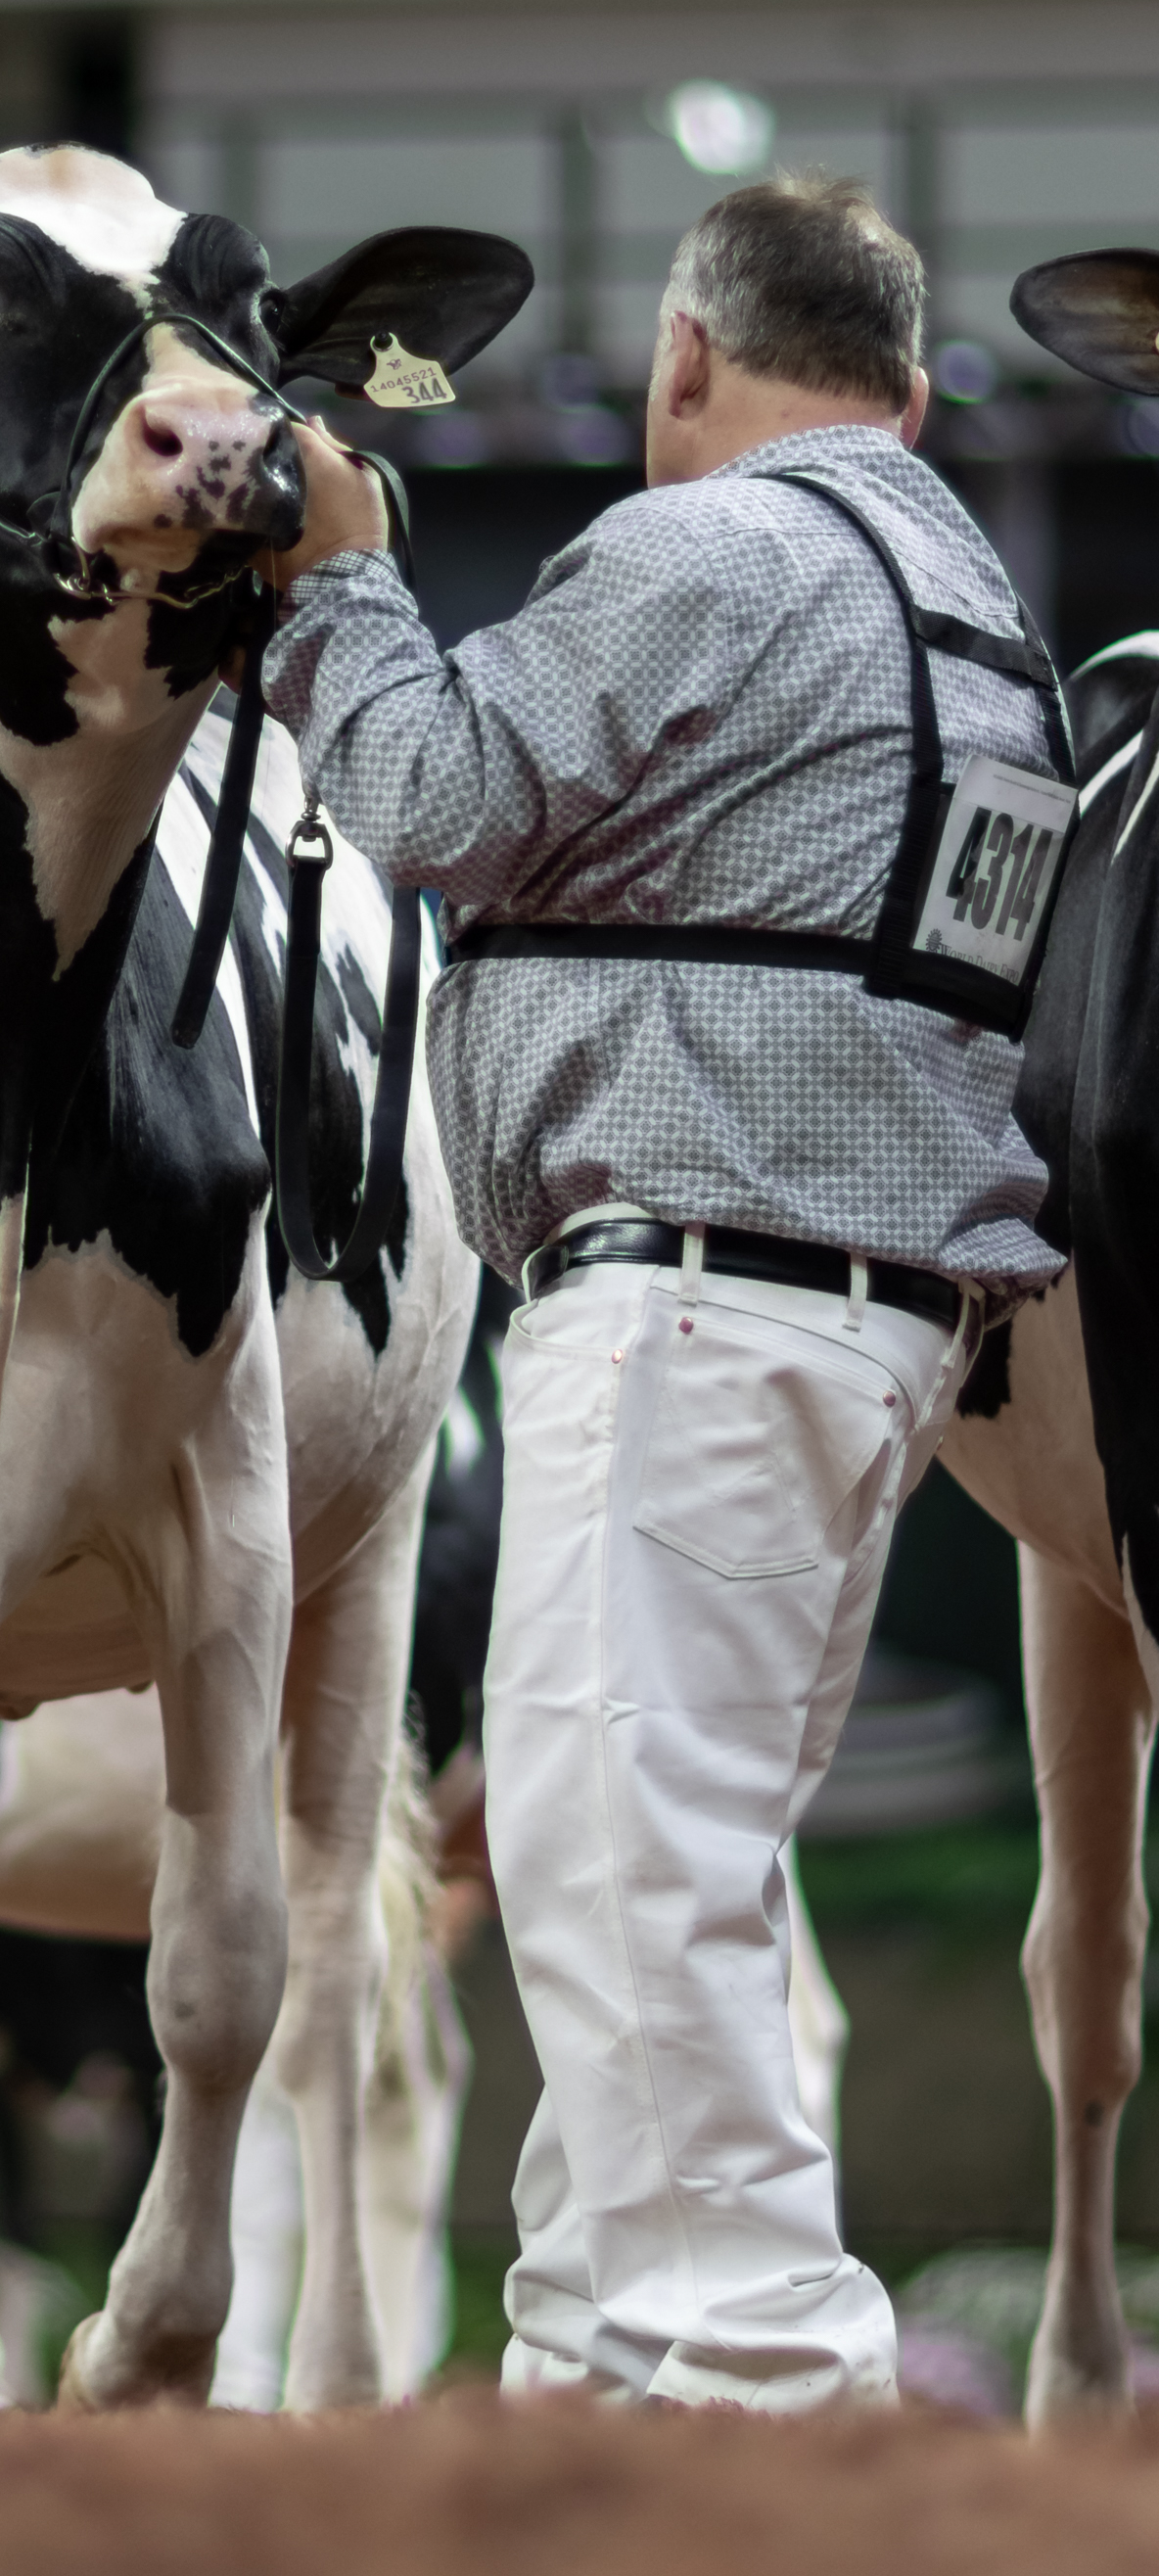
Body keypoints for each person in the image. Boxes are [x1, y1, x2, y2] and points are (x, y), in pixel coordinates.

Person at [257, 174, 1071, 2412]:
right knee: (647, 1866)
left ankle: (767, 2405)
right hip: (867, 1326)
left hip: (699, 1292)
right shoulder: (978, 614)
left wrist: (341, 575)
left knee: (624, 1869)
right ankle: (591, 2397)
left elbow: (424, 792)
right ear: (908, 396)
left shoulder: (713, 549)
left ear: (688, 359)